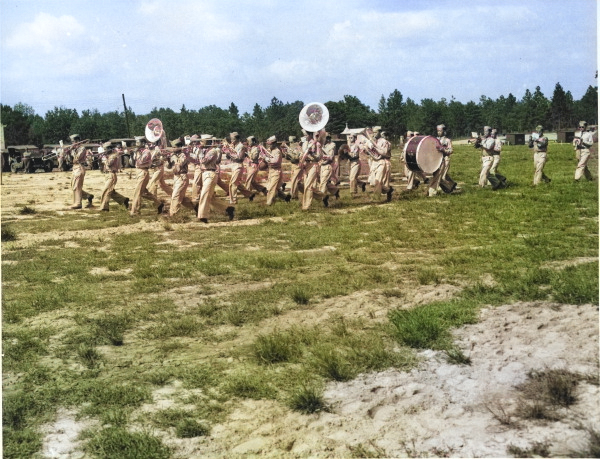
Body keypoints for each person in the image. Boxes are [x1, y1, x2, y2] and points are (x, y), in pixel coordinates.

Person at [196, 137, 235, 223]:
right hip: (205, 174)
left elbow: (203, 161)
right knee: (211, 198)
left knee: (204, 195)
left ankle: (203, 216)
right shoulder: (206, 151)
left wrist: (200, 151)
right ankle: (228, 209)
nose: (200, 144)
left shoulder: (212, 151)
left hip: (210, 174)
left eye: (201, 142)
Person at [130, 143, 164, 216]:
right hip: (138, 171)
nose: (136, 145)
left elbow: (141, 161)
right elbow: (132, 163)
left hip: (143, 172)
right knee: (144, 193)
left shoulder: (146, 152)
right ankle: (159, 204)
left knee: (137, 192)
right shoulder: (138, 151)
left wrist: (137, 153)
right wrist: (132, 154)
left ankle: (135, 211)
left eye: (137, 143)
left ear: (142, 143)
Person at [363, 127, 393, 202]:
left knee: (378, 181)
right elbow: (368, 152)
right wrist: (367, 149)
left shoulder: (384, 142)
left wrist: (374, 148)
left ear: (379, 132)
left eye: (376, 132)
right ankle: (388, 190)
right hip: (374, 162)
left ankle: (376, 198)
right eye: (373, 132)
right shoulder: (373, 141)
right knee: (373, 181)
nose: (374, 134)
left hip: (382, 162)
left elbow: (384, 152)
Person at [224, 132, 255, 204]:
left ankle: (233, 200)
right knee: (237, 184)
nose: (231, 141)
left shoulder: (241, 146)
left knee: (233, 183)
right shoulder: (233, 146)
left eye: (233, 139)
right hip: (233, 166)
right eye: (231, 139)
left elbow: (240, 158)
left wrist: (230, 154)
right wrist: (227, 152)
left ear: (237, 139)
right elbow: (229, 157)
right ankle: (250, 194)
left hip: (238, 166)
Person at [300, 132, 329, 209]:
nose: (305, 136)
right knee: (307, 186)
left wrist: (311, 153)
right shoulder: (305, 144)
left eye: (306, 135)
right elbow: (302, 154)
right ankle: (323, 196)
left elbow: (319, 157)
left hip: (313, 165)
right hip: (306, 165)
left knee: (308, 185)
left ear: (310, 135)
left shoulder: (317, 144)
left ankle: (306, 206)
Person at [99, 143, 129, 211]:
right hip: (107, 174)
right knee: (111, 192)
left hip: (111, 174)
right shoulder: (109, 155)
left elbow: (109, 164)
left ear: (109, 148)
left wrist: (104, 158)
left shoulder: (114, 155)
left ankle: (104, 207)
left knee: (106, 191)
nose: (104, 150)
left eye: (105, 149)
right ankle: (123, 200)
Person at [67, 134, 94, 209]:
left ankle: (78, 203)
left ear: (77, 141)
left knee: (77, 186)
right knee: (73, 186)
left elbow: (77, 158)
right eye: (72, 141)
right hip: (74, 167)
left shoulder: (82, 148)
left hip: (80, 167)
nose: (72, 143)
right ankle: (88, 196)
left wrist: (72, 149)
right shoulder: (74, 149)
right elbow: (70, 160)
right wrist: (68, 152)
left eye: (73, 141)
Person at [262, 136, 290, 205]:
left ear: (274, 143)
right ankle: (286, 198)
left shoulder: (277, 151)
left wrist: (266, 158)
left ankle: (269, 203)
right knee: (276, 188)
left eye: (270, 144)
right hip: (271, 170)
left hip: (276, 171)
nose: (268, 145)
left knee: (271, 188)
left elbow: (275, 161)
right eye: (268, 144)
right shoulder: (269, 150)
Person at [169, 144, 196, 216]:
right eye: (172, 147)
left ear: (179, 147)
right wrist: (168, 160)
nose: (173, 148)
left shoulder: (183, 155)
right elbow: (169, 167)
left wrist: (173, 157)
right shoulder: (173, 155)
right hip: (176, 176)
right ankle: (195, 208)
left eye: (174, 147)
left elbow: (179, 164)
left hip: (182, 176)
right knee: (181, 197)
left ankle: (173, 214)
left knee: (176, 195)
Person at [428, 124, 455, 196]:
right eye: (438, 131)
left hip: (444, 159)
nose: (439, 132)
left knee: (441, 175)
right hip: (436, 160)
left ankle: (432, 192)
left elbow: (451, 150)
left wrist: (443, 150)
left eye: (440, 131)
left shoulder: (447, 140)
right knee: (438, 175)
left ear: (444, 131)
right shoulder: (435, 140)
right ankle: (451, 185)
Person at [319, 135, 340, 200]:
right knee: (325, 182)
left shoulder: (332, 146)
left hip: (328, 165)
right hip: (322, 166)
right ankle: (335, 190)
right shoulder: (322, 146)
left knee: (323, 182)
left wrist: (323, 160)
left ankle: (323, 197)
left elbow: (330, 157)